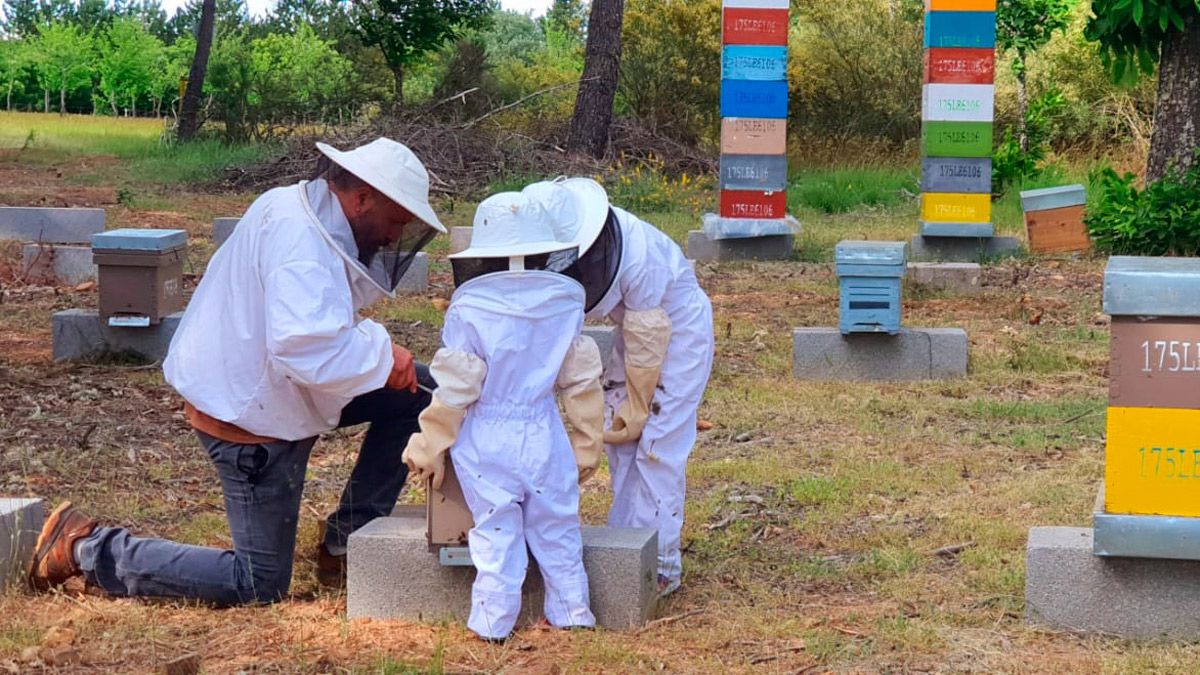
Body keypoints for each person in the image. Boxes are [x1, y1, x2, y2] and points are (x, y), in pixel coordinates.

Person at [27, 138, 445, 605]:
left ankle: (348, 540)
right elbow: (304, 348)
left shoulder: (292, 203)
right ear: (362, 197)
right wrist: (384, 356)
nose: (393, 238)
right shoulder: (301, 245)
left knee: (422, 392)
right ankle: (86, 548)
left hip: (266, 382)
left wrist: (385, 360)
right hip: (250, 419)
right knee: (258, 583)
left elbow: (307, 327)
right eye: (394, 222)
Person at [402, 192, 605, 641]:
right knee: (557, 525)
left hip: (486, 435)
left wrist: (427, 446)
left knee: (494, 530)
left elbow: (456, 389)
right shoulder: (564, 306)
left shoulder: (470, 309)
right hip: (543, 430)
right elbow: (580, 380)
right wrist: (588, 441)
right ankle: (573, 612)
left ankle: (493, 624)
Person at [525, 178, 715, 597]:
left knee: (658, 444)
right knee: (622, 442)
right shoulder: (577, 244)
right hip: (636, 331)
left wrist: (640, 402)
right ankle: (629, 544)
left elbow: (651, 338)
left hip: (679, 332)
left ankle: (659, 566)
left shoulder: (640, 258)